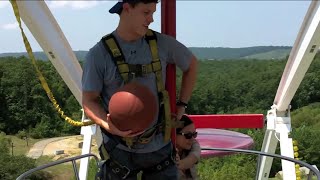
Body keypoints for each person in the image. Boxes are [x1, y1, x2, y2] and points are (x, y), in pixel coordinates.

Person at [82, 0, 197, 179]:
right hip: (119, 152)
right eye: (146, 12)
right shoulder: (99, 55)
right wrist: (107, 125)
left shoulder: (162, 44)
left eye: (153, 13)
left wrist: (182, 105)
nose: (151, 19)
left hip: (160, 151)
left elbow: (191, 65)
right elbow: (89, 100)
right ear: (127, 8)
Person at [176, 115, 201, 180]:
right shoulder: (164, 151)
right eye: (188, 135)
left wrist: (178, 164)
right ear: (174, 134)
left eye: (194, 134)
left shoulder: (194, 144)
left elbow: (193, 158)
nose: (192, 138)